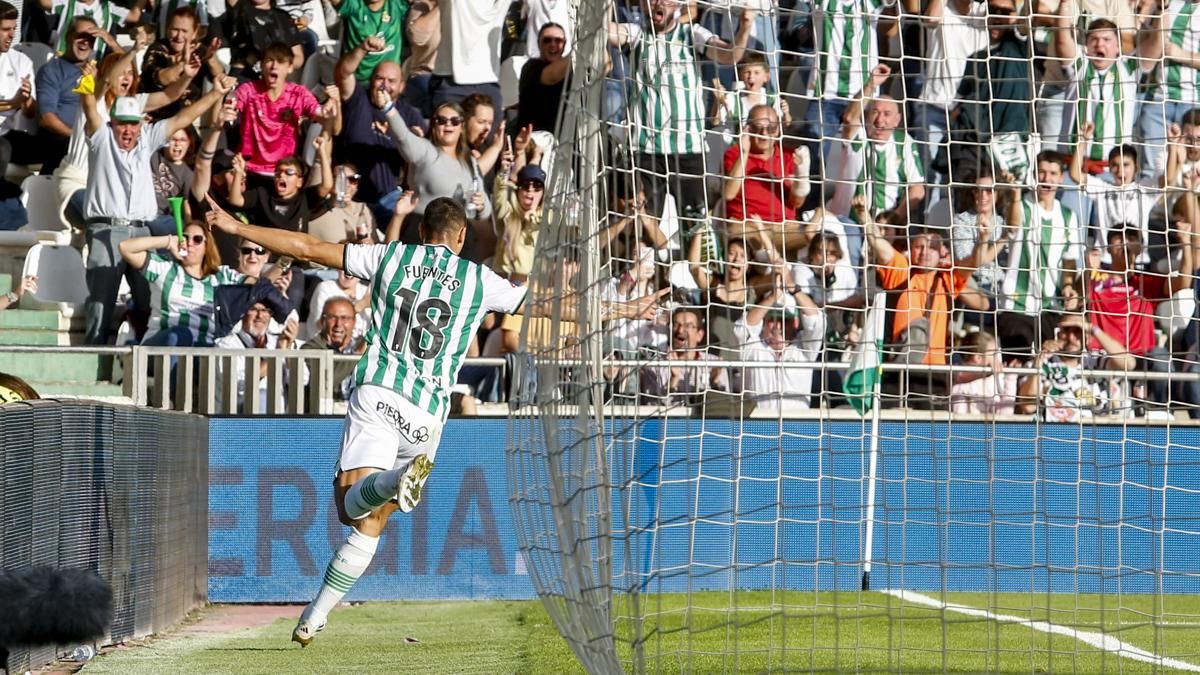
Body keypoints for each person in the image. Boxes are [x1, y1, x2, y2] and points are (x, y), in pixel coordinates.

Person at [203, 195, 666, 647]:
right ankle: (315, 617)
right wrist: (620, 309)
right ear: (461, 238)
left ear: (421, 232)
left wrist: (237, 228)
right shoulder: (479, 280)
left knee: (350, 507)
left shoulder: (388, 257)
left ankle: (392, 483)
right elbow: (549, 303)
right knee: (373, 522)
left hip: (381, 391)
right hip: (427, 417)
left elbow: (305, 248)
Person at [81, 74, 233, 345]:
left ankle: (137, 361)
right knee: (100, 304)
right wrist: (87, 89)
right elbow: (90, 110)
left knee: (148, 299)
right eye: (121, 125)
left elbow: (182, 120)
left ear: (141, 124)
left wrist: (214, 94)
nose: (127, 131)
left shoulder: (148, 139)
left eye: (132, 125)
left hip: (141, 231)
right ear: (112, 124)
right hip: (106, 228)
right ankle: (94, 363)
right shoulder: (102, 138)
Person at [608, 0, 756, 223]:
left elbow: (730, 55)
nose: (655, 3)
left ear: (677, 4)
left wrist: (745, 28)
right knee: (644, 228)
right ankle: (645, 258)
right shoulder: (638, 33)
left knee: (694, 227)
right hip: (646, 148)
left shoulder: (692, 34)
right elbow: (609, 32)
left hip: (688, 150)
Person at [334, 35, 426, 226]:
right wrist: (362, 48)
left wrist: (415, 138)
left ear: (401, 87)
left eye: (391, 81)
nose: (384, 85)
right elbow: (342, 73)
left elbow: (424, 154)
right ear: (372, 80)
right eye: (379, 78)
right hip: (351, 197)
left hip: (389, 198)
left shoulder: (410, 115)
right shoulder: (358, 99)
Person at [117, 221, 247, 347]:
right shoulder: (164, 267)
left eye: (197, 239)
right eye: (184, 237)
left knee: (215, 348)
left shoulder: (221, 276)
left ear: (207, 247)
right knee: (180, 335)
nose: (189, 243)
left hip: (202, 349)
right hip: (161, 346)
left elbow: (259, 286)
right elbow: (125, 247)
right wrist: (168, 242)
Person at [639, 305, 729, 405]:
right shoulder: (654, 366)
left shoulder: (714, 364)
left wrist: (715, 383)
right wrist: (674, 380)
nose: (680, 330)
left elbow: (724, 407)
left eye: (688, 326)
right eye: (676, 325)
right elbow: (650, 409)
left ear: (699, 335)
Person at [0, 1, 37, 191]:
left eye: (14, 28)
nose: (12, 35)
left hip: (10, 133)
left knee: (57, 146)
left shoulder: (21, 61)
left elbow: (30, 114)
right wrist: (14, 102)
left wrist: (27, 99)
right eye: (6, 29)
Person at [301, 296, 365, 401]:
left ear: (354, 322)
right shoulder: (311, 348)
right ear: (322, 320)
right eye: (332, 317)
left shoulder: (363, 344)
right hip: (328, 414)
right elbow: (324, 384)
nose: (338, 324)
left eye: (345, 318)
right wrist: (357, 355)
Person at [517, 22, 570, 133]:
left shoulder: (571, 67)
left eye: (558, 40)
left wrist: (601, 38)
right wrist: (584, 48)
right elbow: (552, 75)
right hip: (534, 139)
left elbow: (606, 66)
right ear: (539, 43)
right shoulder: (530, 67)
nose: (553, 44)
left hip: (567, 138)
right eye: (547, 40)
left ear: (564, 44)